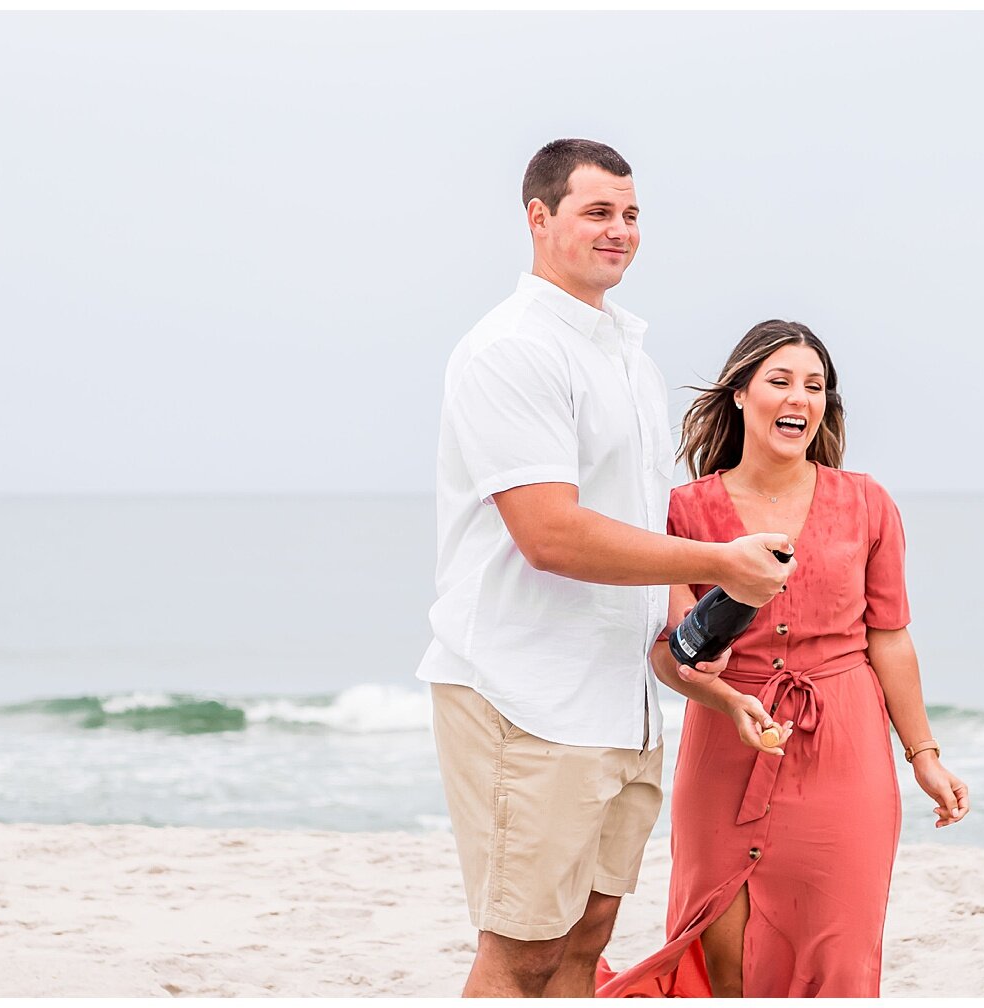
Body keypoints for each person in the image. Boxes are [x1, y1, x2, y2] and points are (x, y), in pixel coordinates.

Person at [416, 140, 796, 998]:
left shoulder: (629, 356)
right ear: (538, 218)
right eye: (597, 212)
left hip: (619, 701)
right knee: (522, 951)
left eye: (630, 215)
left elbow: (635, 518)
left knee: (586, 942)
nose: (619, 231)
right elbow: (549, 533)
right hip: (524, 693)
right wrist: (718, 562)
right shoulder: (511, 350)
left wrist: (685, 630)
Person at [597, 320, 971, 998]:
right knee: (722, 953)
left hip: (845, 748)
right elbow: (666, 654)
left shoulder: (867, 503)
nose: (799, 397)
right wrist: (720, 693)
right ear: (740, 395)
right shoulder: (681, 512)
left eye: (815, 385)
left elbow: (888, 637)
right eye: (780, 381)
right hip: (724, 746)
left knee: (838, 948)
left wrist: (924, 755)